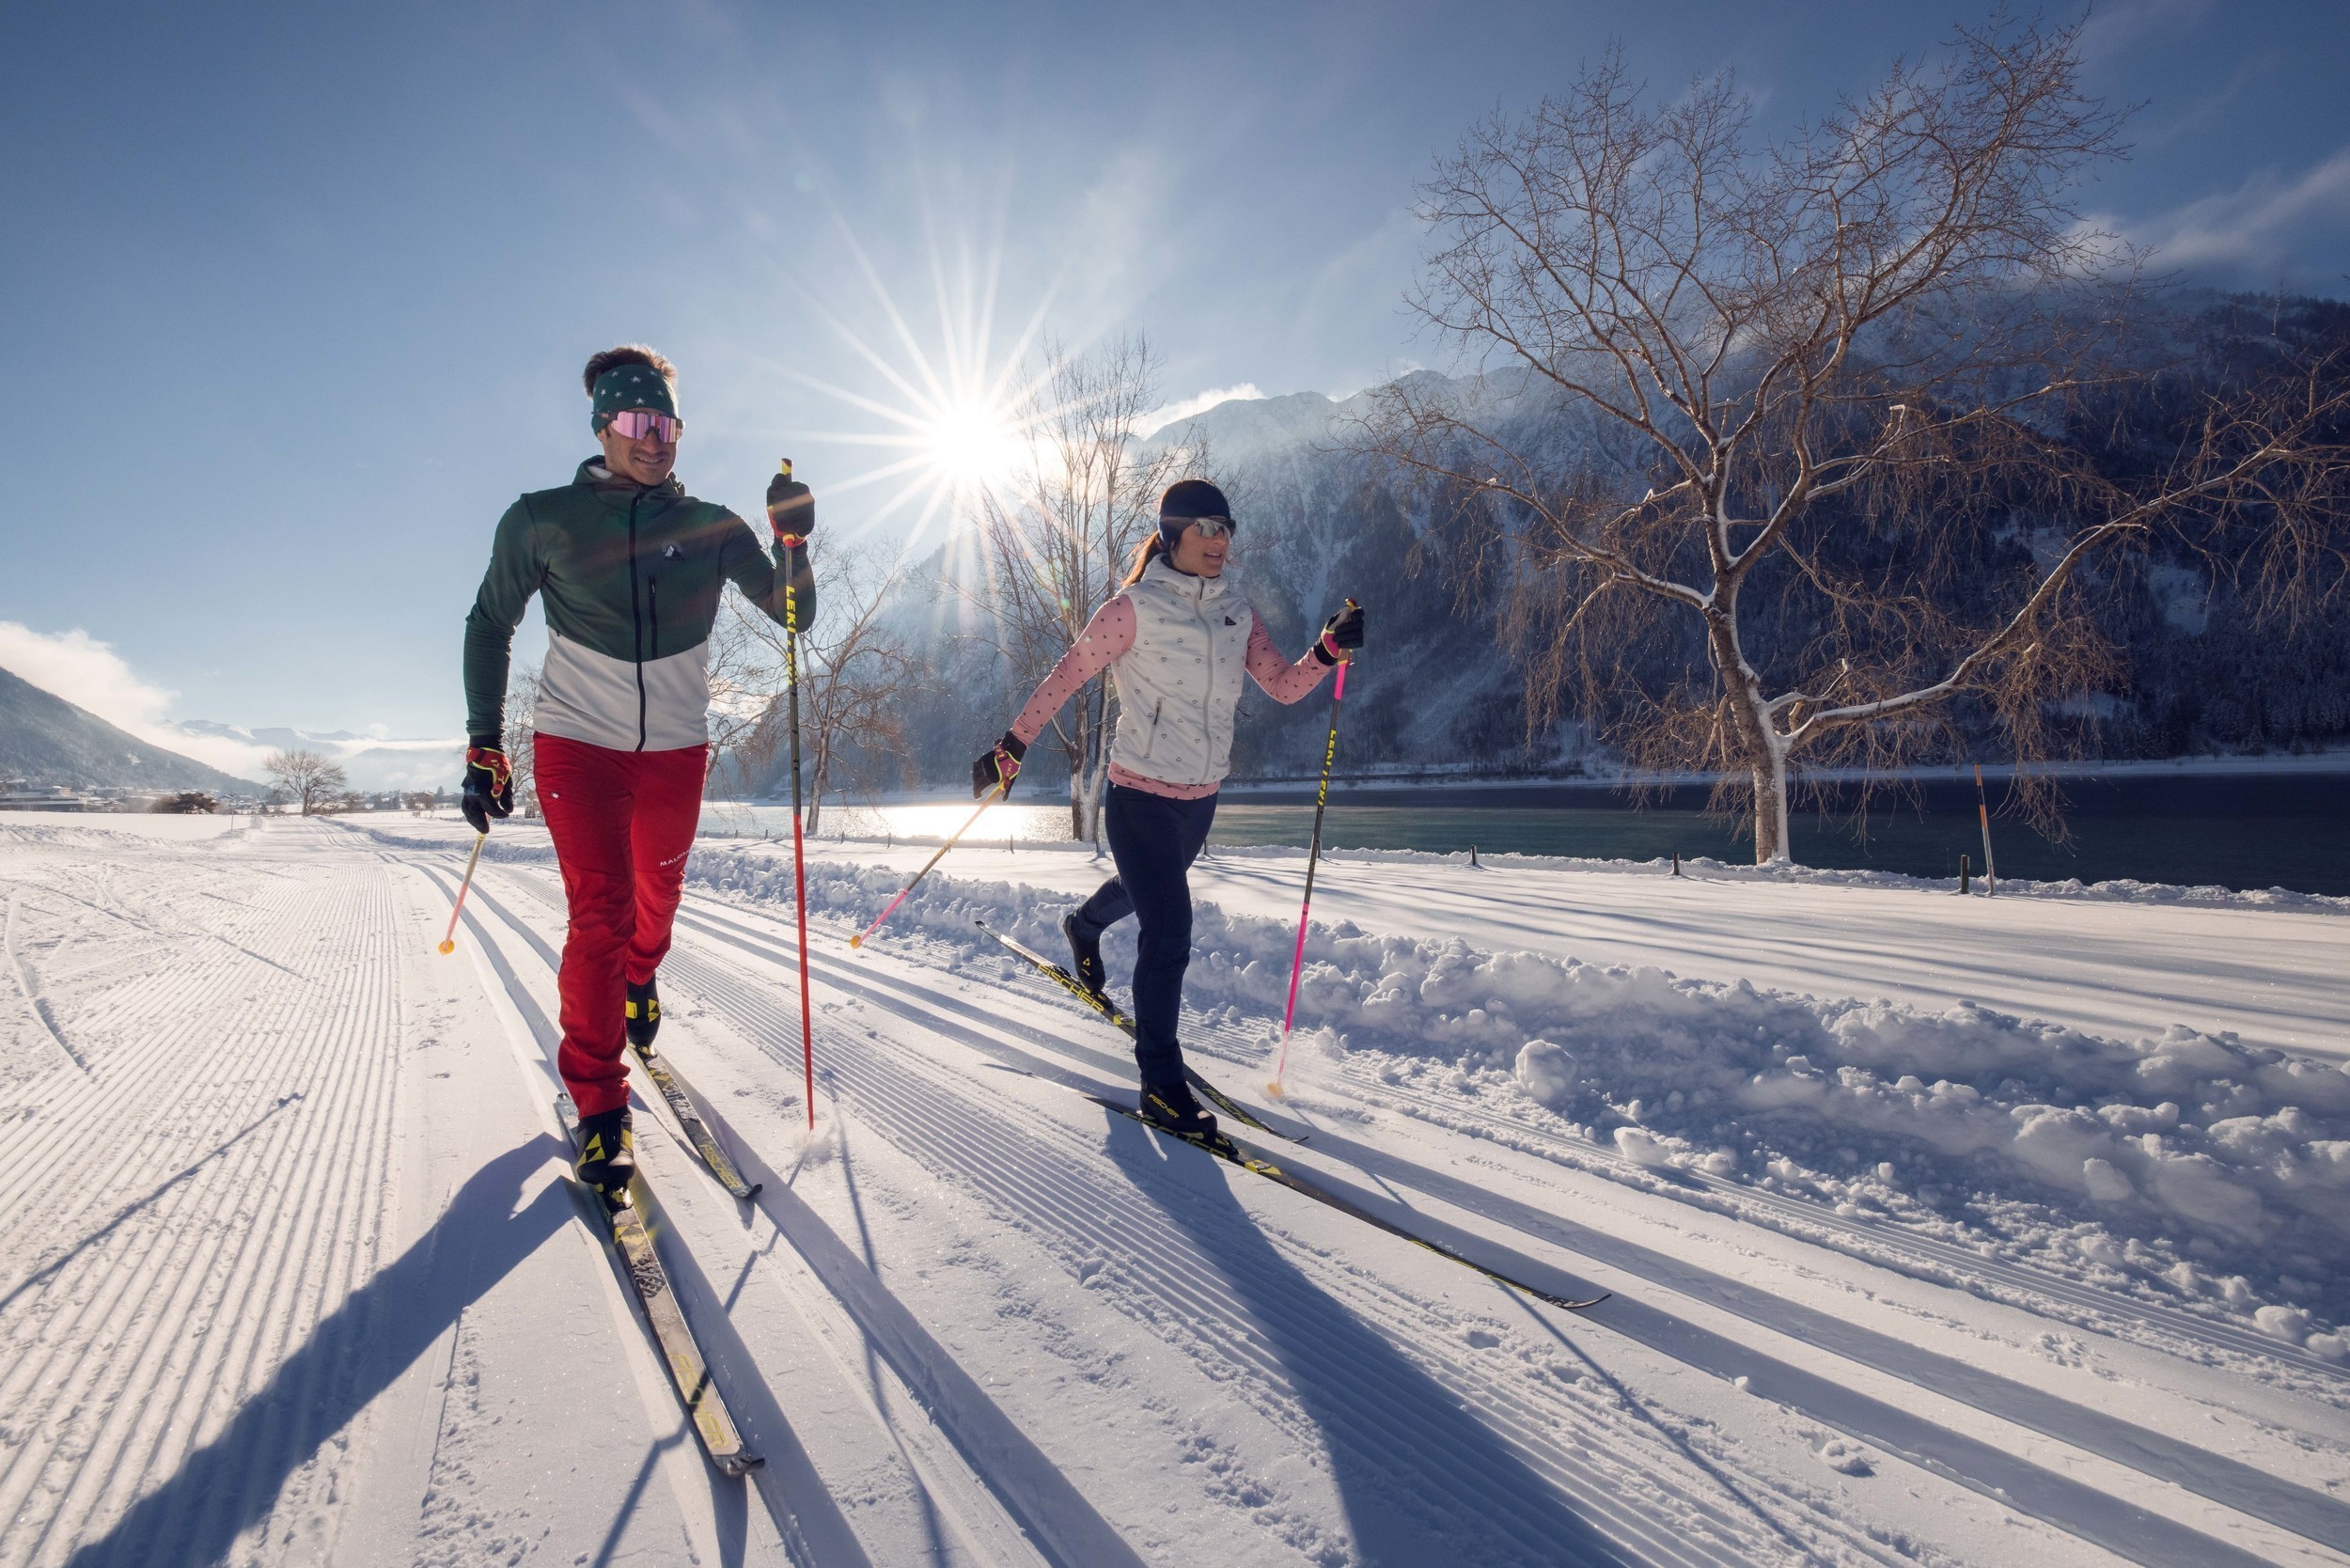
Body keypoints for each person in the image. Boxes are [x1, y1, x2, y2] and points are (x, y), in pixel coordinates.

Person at [459, 344, 816, 1200]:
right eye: (635, 421)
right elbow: (488, 621)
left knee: (656, 900)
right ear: (602, 427)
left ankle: (642, 975)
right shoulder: (541, 519)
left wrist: (793, 540)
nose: (654, 439)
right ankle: (599, 1106)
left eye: (667, 424)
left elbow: (793, 616)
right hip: (577, 744)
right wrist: (483, 741)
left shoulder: (713, 527)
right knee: (600, 914)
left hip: (675, 752)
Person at [973, 479, 1362, 1138]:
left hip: (1200, 800)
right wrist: (1011, 746)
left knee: (1140, 890)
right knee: (1170, 928)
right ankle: (1160, 1082)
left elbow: (1284, 686)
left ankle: (1082, 927)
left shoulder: (1239, 612)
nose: (1220, 540)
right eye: (1206, 527)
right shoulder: (1133, 609)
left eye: (1226, 528)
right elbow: (1066, 674)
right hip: (1138, 796)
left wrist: (1326, 650)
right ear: (1174, 531)